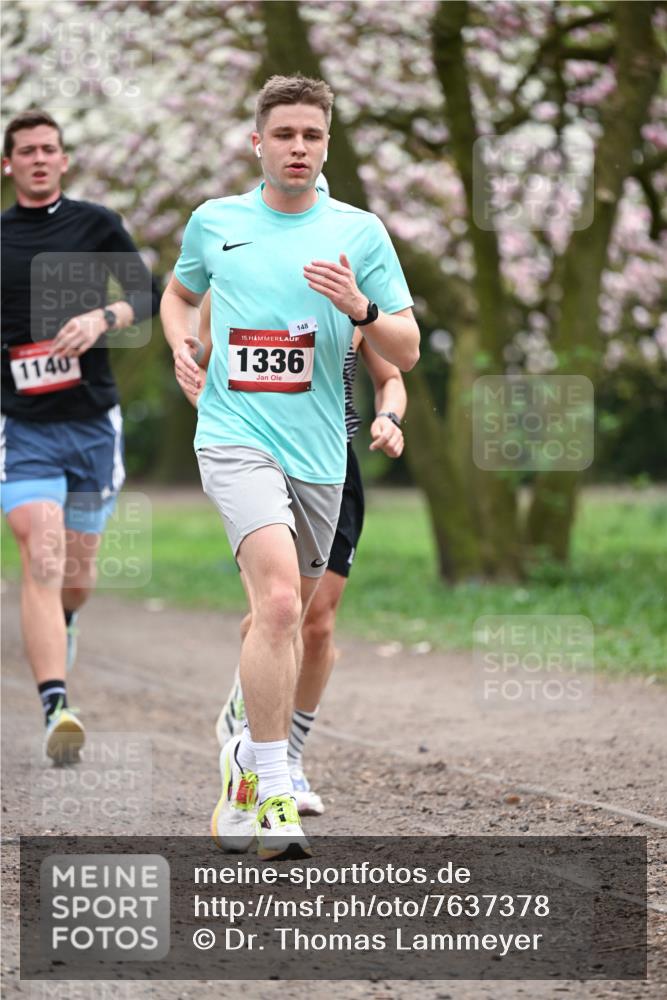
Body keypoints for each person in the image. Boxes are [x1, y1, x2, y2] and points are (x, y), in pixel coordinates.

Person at [162, 74, 418, 860]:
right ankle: (273, 787)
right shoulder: (217, 222)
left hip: (320, 455)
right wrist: (182, 342)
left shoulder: (359, 233)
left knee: (295, 618)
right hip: (235, 435)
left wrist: (361, 308)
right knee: (278, 603)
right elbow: (177, 296)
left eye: (311, 135)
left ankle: (245, 750)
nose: (297, 147)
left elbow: (403, 350)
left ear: (326, 144)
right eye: (284, 135)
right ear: (257, 143)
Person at [1, 109, 160, 762]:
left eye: (50, 149)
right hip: (22, 427)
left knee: (77, 567)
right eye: (27, 151)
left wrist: (101, 317)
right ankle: (55, 706)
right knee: (40, 551)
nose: (39, 158)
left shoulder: (96, 224)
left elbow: (149, 294)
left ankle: (66, 621)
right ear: (8, 165)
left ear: (64, 160)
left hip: (92, 421)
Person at [215, 331, 407, 816]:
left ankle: (282, 745)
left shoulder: (350, 288)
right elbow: (198, 358)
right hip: (255, 456)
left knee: (316, 623)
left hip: (330, 462)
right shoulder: (236, 266)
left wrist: (388, 418)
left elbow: (391, 377)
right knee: (280, 608)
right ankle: (260, 751)